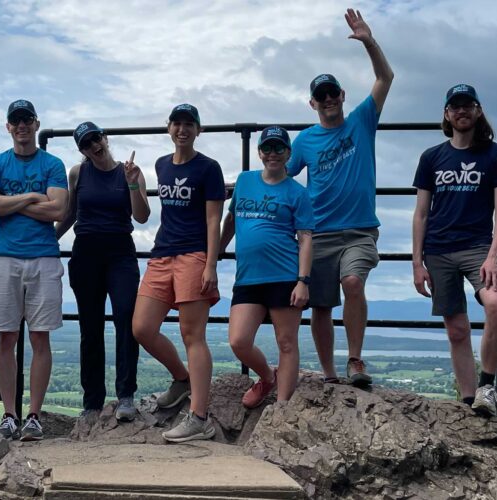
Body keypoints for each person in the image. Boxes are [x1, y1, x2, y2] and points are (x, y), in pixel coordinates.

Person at [286, 8, 393, 388]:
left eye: (333, 92)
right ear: (312, 103)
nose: (329, 99)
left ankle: (355, 360)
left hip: (360, 230)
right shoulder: (304, 141)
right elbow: (283, 176)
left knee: (352, 282)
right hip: (318, 233)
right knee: (320, 305)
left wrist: (369, 41)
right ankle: (330, 374)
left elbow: (385, 77)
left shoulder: (362, 120)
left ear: (343, 95)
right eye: (321, 95)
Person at [411, 84, 497, 417]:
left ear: (478, 110)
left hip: (479, 248)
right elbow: (421, 213)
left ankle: (487, 386)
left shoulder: (496, 155)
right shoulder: (431, 157)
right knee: (456, 330)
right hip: (438, 250)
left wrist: (494, 256)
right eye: (455, 106)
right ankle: (470, 403)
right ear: (446, 114)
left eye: (468, 105)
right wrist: (417, 263)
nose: (461, 111)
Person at [132, 103, 226, 443]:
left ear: (198, 130)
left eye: (189, 124)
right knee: (141, 327)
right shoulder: (160, 165)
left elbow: (214, 219)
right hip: (162, 254)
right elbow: (144, 212)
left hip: (193, 255)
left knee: (192, 335)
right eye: (177, 123)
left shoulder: (209, 168)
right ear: (169, 128)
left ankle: (200, 417)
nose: (182, 129)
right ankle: (182, 378)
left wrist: (211, 264)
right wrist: (131, 185)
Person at [0, 100, 69, 441]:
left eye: (27, 120)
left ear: (36, 123)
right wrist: (33, 197)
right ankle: (9, 414)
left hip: (43, 258)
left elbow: (58, 210)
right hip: (3, 258)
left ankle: (33, 416)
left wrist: (10, 204)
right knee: (6, 337)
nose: (22, 126)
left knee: (40, 336)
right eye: (16, 121)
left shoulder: (53, 163)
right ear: (8, 126)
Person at [56, 122, 150, 421]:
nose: (94, 146)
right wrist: (49, 240)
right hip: (86, 252)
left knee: (126, 320)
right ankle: (92, 402)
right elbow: (71, 213)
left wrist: (133, 182)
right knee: (90, 327)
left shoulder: (129, 171)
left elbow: (143, 215)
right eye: (86, 144)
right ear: (82, 150)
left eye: (96, 138)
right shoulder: (77, 173)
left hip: (120, 252)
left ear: (105, 138)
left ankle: (125, 396)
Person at [220, 126, 312, 407]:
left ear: (288, 153)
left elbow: (306, 239)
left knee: (286, 342)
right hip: (248, 277)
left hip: (284, 275)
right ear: (259, 152)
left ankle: (282, 406)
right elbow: (231, 220)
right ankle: (267, 377)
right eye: (267, 148)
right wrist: (215, 254)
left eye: (279, 148)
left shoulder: (298, 193)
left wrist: (303, 280)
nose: (273, 154)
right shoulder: (245, 181)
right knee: (238, 341)